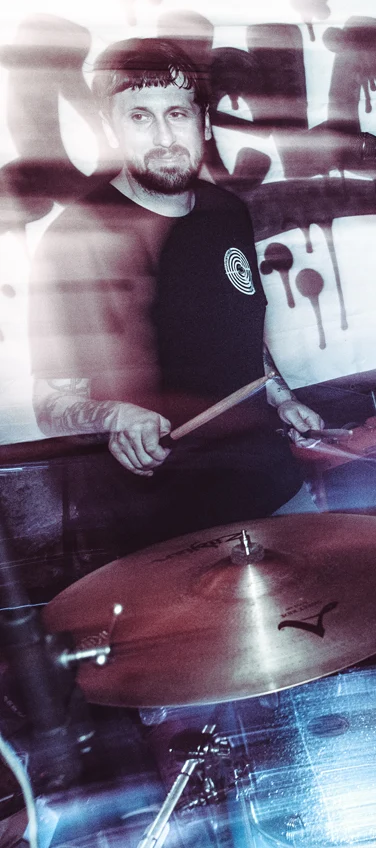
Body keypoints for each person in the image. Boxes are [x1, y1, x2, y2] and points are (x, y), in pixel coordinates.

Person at [28, 37, 323, 555]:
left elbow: (242, 330)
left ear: (203, 123)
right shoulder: (78, 239)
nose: (164, 137)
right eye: (139, 117)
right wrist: (113, 417)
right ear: (111, 129)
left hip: (268, 486)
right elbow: (50, 402)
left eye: (178, 114)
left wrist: (280, 397)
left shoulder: (226, 211)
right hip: (160, 523)